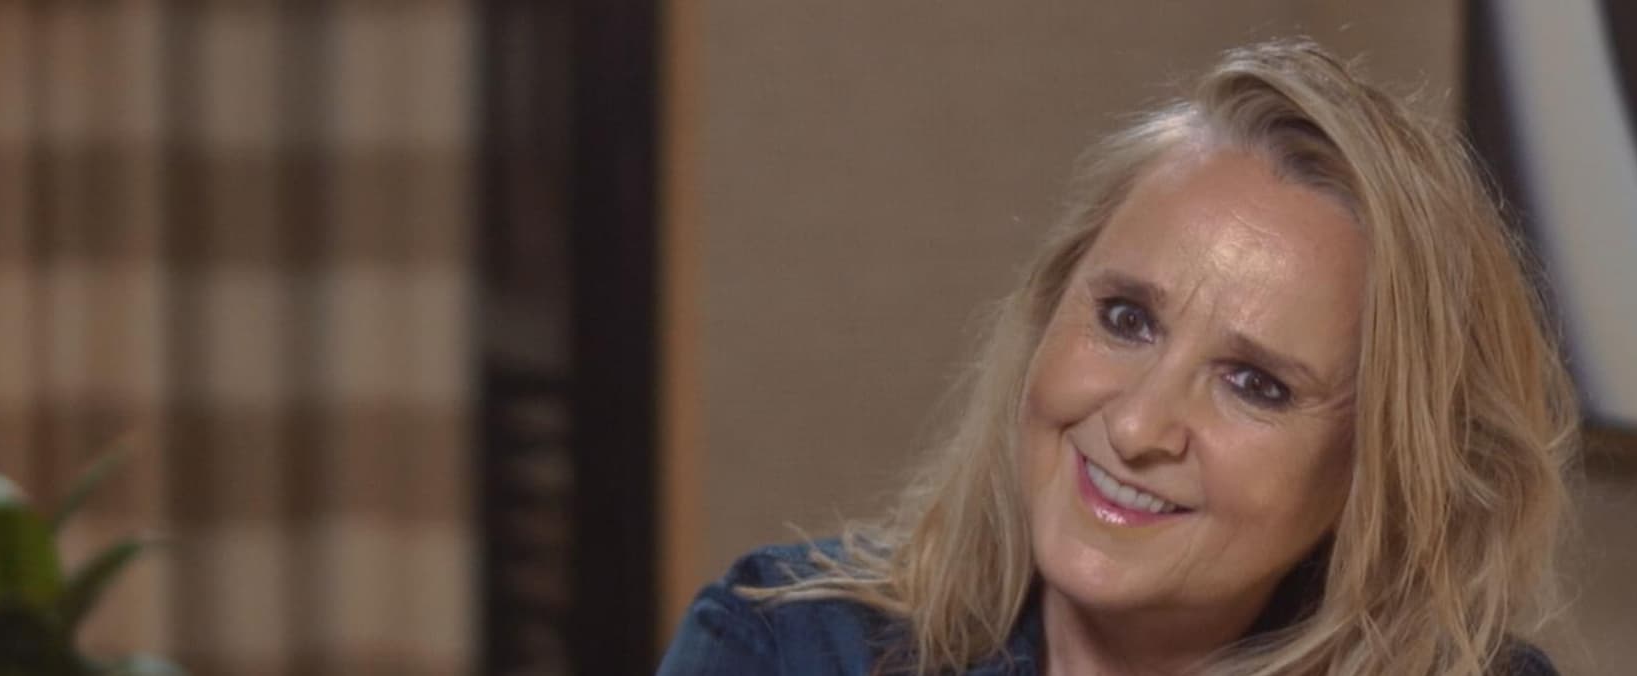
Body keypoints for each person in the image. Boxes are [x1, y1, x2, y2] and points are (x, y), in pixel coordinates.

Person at [659, 38, 1578, 676]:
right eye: (1127, 319)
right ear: (1048, 311)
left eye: (1255, 384)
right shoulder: (781, 649)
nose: (1138, 426)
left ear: (1381, 468)